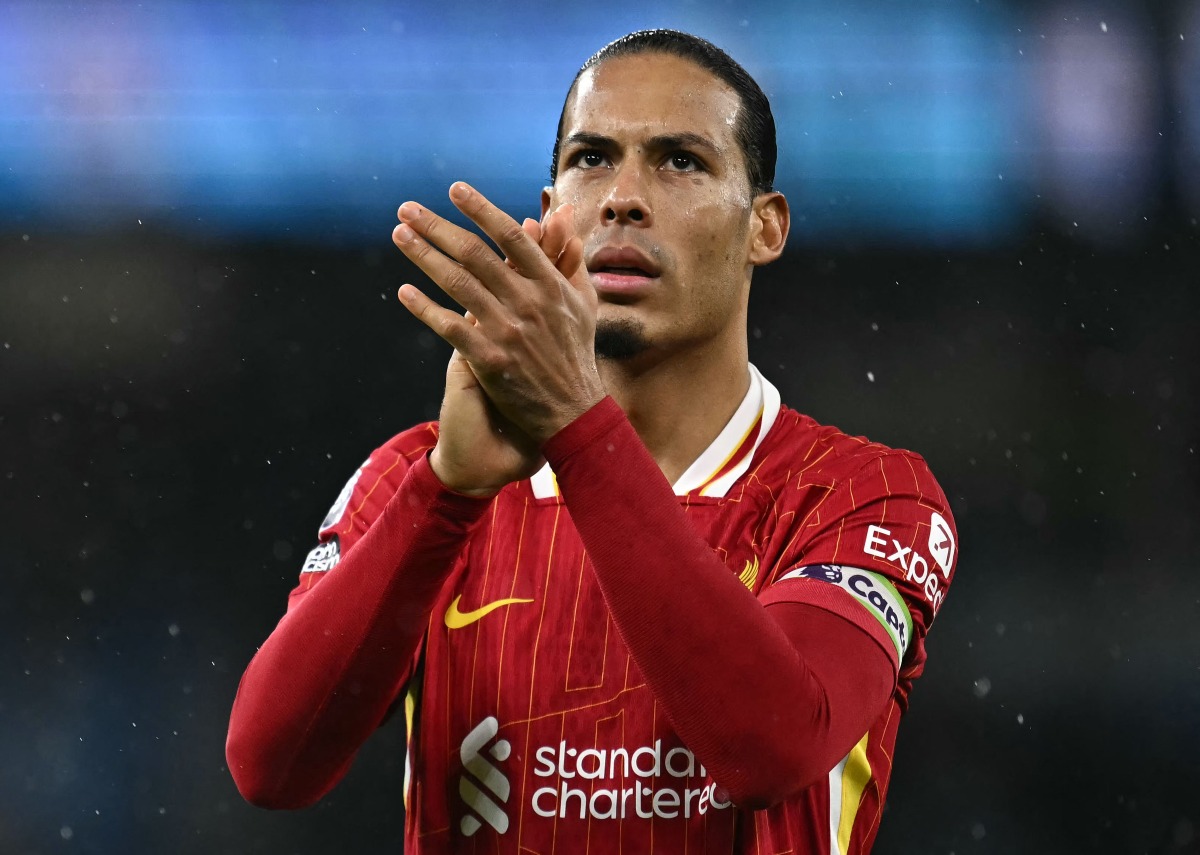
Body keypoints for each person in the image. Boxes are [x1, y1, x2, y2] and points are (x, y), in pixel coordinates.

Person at [226, 29, 958, 854]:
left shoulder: (865, 494)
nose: (623, 197)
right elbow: (271, 766)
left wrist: (578, 428)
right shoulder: (418, 477)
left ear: (766, 227)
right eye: (592, 159)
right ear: (551, 216)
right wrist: (446, 493)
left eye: (681, 161)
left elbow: (770, 746)